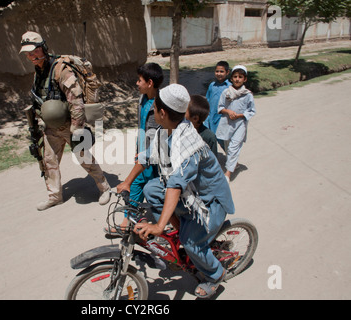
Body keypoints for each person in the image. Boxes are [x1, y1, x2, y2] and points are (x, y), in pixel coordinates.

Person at [117, 84, 235, 299]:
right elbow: (147, 157)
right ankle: (182, 230)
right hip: (190, 194)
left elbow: (175, 185)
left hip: (209, 202)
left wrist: (159, 226)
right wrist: (126, 182)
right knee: (152, 188)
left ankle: (215, 275)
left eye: (154, 107)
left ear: (162, 113)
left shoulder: (187, 145)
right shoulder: (167, 130)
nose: (152, 110)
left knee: (191, 244)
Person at [19, 31, 111, 211]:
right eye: (27, 53)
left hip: (70, 125)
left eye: (33, 52)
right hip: (51, 128)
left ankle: (105, 188)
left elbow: (75, 99)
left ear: (42, 48)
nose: (30, 56)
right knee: (49, 161)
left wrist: (77, 128)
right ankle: (54, 196)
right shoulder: (39, 71)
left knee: (84, 158)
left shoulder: (61, 69)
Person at [106, 63, 163, 233]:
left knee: (152, 189)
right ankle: (127, 221)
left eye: (140, 80)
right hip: (143, 151)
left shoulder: (158, 105)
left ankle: (162, 227)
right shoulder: (143, 99)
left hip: (155, 156)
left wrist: (145, 153)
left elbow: (156, 139)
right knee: (137, 186)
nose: (137, 83)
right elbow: (141, 127)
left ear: (150, 82)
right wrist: (137, 148)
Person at [216, 65, 256, 182]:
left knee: (234, 147)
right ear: (231, 78)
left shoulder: (248, 94)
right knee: (228, 147)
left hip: (240, 125)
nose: (237, 79)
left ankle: (227, 174)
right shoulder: (226, 92)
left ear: (245, 79)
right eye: (235, 77)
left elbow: (251, 110)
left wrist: (239, 115)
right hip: (227, 124)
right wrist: (228, 111)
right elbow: (220, 107)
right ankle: (235, 165)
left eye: (240, 77)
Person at [205, 61, 231, 149]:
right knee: (208, 139)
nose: (219, 74)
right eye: (217, 71)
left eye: (221, 71)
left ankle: (232, 160)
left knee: (223, 140)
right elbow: (207, 99)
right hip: (210, 117)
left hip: (222, 119)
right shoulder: (212, 85)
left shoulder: (230, 87)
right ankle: (211, 159)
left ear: (227, 72)